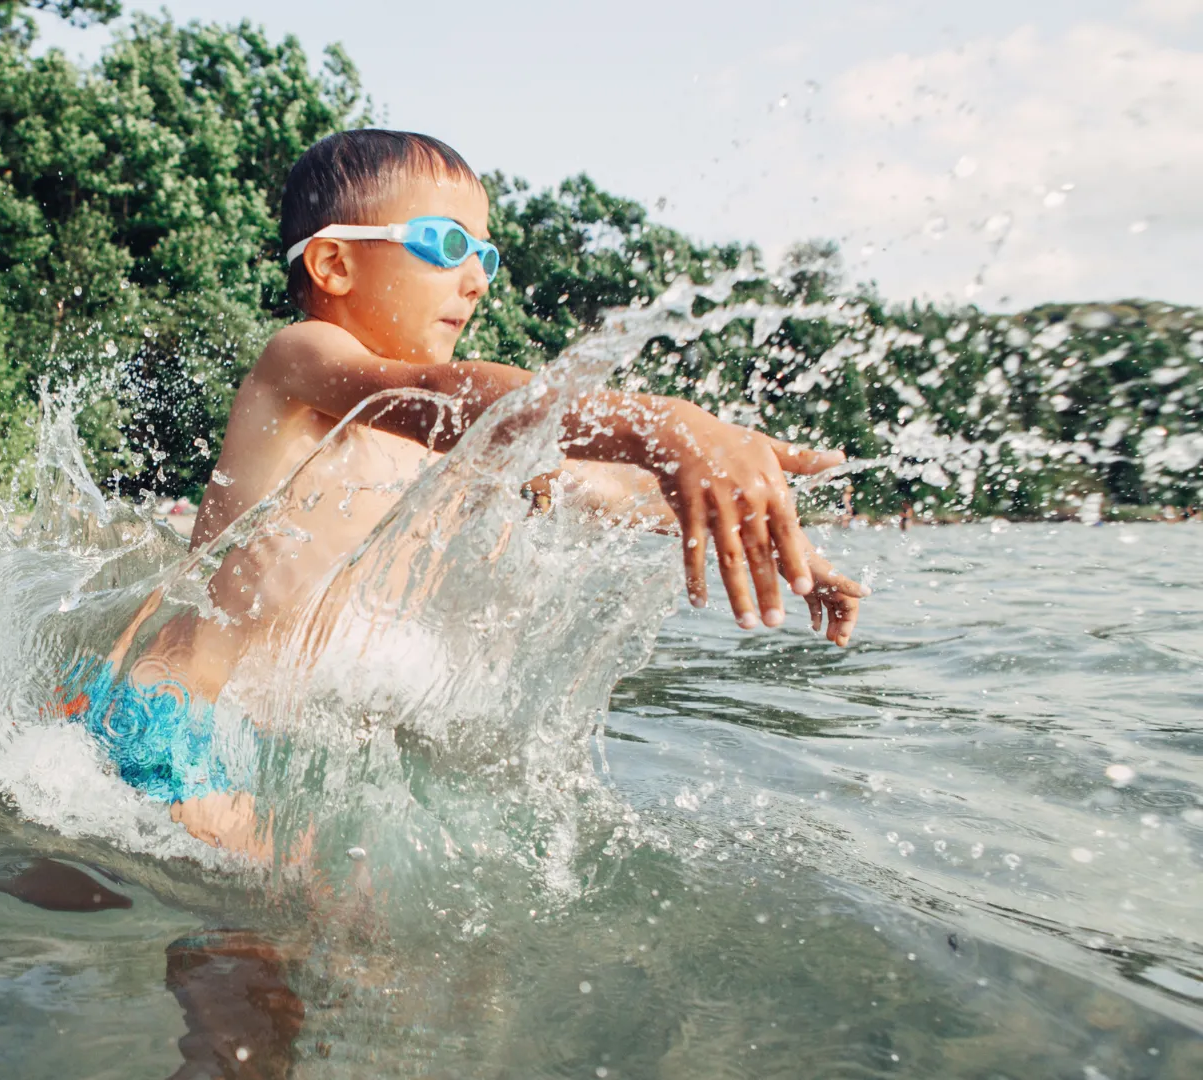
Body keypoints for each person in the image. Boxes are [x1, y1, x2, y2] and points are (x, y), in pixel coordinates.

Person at [59, 130, 869, 857]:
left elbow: (612, 492)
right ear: (334, 264)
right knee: (268, 951)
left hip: (267, 747)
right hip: (171, 720)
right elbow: (451, 395)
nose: (476, 280)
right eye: (446, 245)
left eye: (486, 255)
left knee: (364, 944)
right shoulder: (300, 364)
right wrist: (666, 425)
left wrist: (776, 540)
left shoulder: (454, 456)